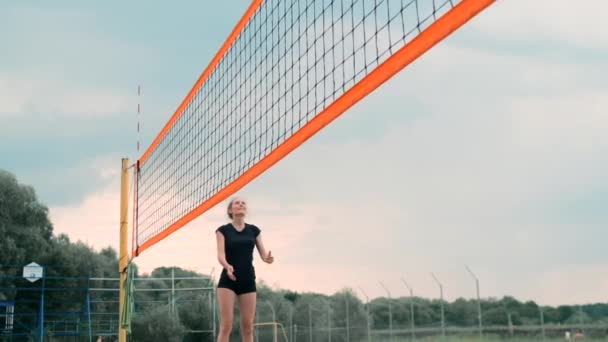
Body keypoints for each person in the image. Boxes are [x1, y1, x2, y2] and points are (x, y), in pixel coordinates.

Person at [215, 197, 274, 342]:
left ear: (245, 210)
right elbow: (220, 255)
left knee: (248, 327)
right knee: (226, 326)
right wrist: (227, 266)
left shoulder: (254, 230)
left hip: (248, 280)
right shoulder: (222, 231)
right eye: (237, 203)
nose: (241, 204)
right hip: (228, 280)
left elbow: (263, 254)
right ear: (230, 210)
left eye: (243, 203)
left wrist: (267, 258)